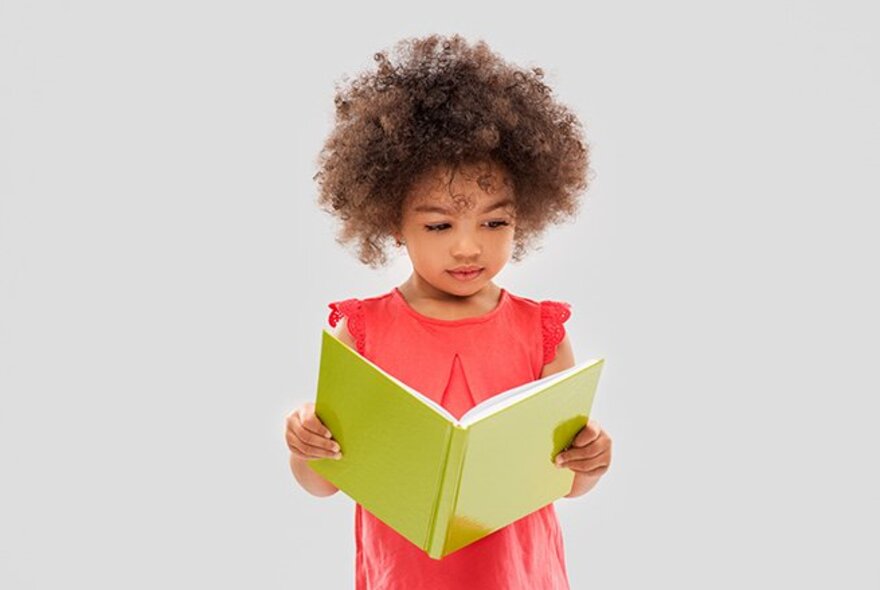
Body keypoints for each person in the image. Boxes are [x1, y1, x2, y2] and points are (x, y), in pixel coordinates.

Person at [284, 33, 613, 589]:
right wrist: (306, 443)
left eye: (495, 222)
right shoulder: (360, 332)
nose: (468, 248)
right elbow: (323, 484)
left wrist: (591, 460)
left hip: (519, 577)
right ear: (392, 219)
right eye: (439, 225)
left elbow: (568, 482)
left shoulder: (542, 331)